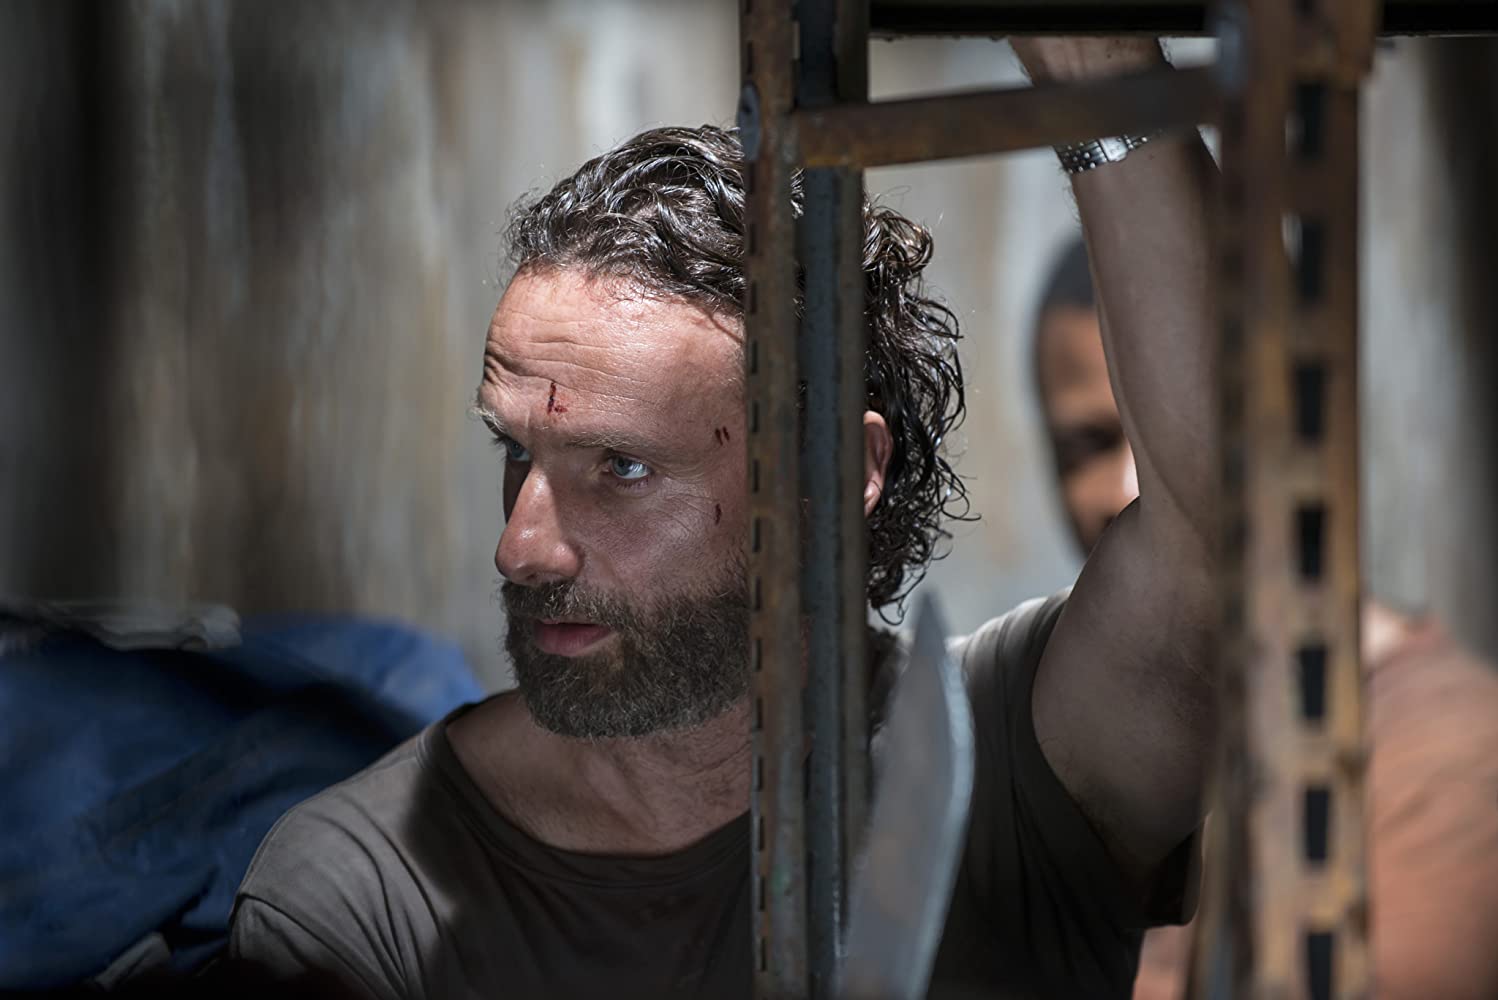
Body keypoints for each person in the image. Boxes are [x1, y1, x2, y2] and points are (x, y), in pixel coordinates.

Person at [228, 38, 1215, 999]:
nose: (520, 547)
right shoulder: (369, 890)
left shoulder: (995, 765)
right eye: (516, 453)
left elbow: (1224, 544)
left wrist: (1092, 62)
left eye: (621, 467)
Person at [1031, 237, 1498, 1000]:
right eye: (1088, 444)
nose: (1128, 489)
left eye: (1167, 434)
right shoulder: (1077, 774)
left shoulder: (1447, 760)